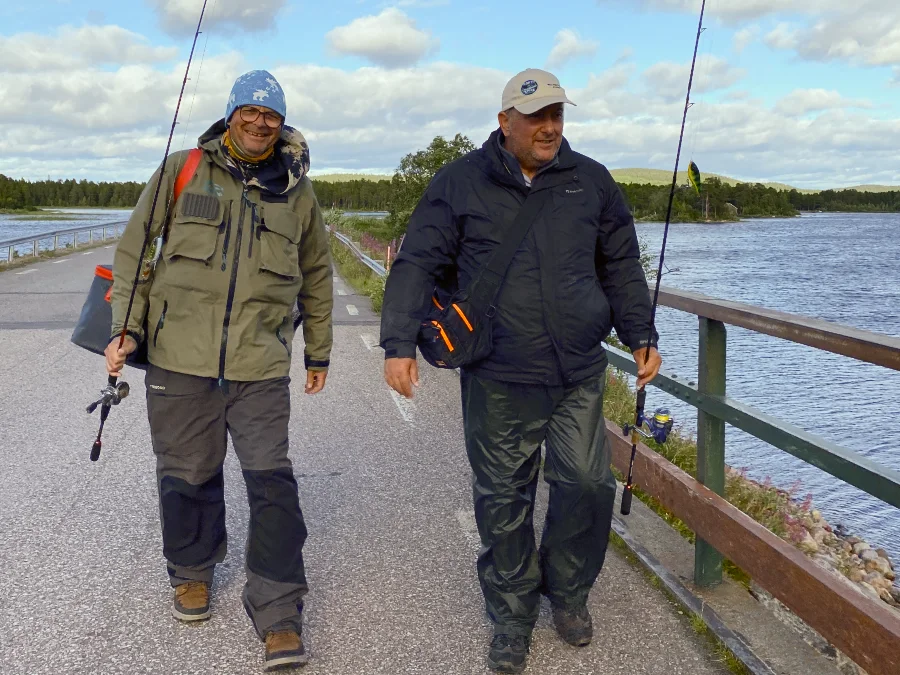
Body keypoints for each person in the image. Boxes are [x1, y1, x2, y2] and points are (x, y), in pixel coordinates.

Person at [379, 68, 662, 673]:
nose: (550, 128)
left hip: (577, 371)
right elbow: (417, 262)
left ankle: (567, 590)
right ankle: (511, 616)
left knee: (587, 485)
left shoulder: (592, 182)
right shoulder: (459, 182)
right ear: (505, 121)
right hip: (498, 373)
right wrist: (398, 343)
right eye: (537, 118)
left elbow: (621, 264)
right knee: (504, 498)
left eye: (557, 115)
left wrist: (641, 333)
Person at [105, 70, 333, 671]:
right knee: (187, 476)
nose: (260, 122)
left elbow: (317, 274)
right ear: (230, 115)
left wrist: (319, 351)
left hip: (260, 365)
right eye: (249, 111)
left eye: (271, 115)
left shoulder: (297, 191)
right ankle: (191, 573)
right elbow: (135, 251)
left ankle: (278, 611)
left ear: (282, 124)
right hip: (179, 360)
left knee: (273, 485)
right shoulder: (182, 170)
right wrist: (125, 329)